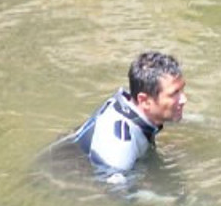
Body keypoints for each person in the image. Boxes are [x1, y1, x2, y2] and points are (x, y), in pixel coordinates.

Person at [62, 51, 187, 182]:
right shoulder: (120, 149)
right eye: (174, 94)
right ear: (144, 100)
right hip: (70, 174)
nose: (184, 99)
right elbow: (116, 195)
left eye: (182, 90)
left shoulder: (130, 106)